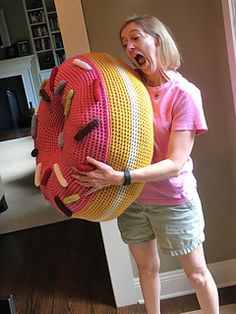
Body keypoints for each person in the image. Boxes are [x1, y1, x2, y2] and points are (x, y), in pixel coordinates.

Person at [72, 15, 219, 314]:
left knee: (197, 274)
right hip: (133, 200)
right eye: (125, 43)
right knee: (147, 269)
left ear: (158, 40)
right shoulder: (128, 90)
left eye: (136, 38)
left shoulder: (184, 94)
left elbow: (176, 163)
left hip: (172, 199)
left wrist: (120, 178)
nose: (129, 47)